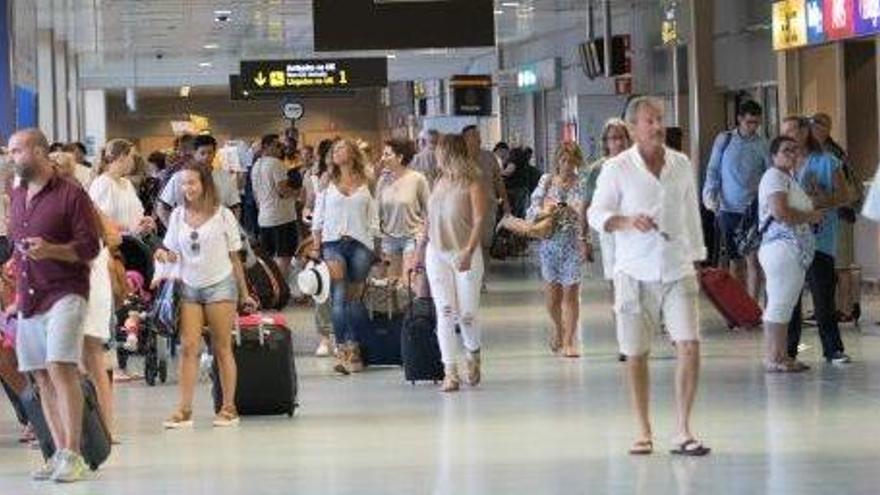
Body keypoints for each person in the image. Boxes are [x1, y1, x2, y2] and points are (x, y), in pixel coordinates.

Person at [588, 97, 710, 456]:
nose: (657, 126)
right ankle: (643, 430)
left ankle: (683, 429)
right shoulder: (617, 168)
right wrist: (626, 221)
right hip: (633, 271)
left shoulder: (681, 164)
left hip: (677, 267)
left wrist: (697, 259)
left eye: (660, 119)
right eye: (649, 120)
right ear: (632, 128)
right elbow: (597, 213)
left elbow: (691, 214)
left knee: (689, 344)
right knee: (636, 352)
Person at [8, 128, 101, 482]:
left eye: (17, 151)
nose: (11, 157)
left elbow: (90, 248)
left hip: (66, 291)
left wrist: (52, 250)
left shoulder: (71, 195)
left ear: (38, 151)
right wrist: (16, 294)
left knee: (59, 366)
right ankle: (59, 450)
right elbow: (19, 251)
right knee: (41, 377)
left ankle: (74, 453)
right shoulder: (16, 194)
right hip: (30, 295)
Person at [155, 162, 257, 429]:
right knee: (189, 347)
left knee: (222, 347)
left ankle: (228, 407)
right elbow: (172, 250)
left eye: (192, 182)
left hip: (221, 286)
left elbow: (235, 258)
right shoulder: (177, 215)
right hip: (188, 286)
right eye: (183, 183)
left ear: (205, 184)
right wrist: (164, 254)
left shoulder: (223, 215)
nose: (187, 188)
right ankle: (184, 409)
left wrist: (244, 294)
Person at [51, 152, 118, 431]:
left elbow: (110, 236)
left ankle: (90, 428)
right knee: (90, 358)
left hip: (82, 281)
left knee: (77, 359)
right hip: (86, 279)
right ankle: (101, 427)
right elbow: (114, 236)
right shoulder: (80, 198)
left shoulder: (70, 200)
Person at [418, 134, 488, 392]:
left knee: (467, 314)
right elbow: (428, 219)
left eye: (438, 150)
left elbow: (480, 219)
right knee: (445, 311)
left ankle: (473, 353)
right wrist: (419, 251)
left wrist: (469, 251)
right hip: (437, 252)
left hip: (464, 252)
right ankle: (450, 370)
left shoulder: (472, 182)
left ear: (448, 152)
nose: (434, 154)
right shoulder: (439, 181)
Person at [782, 116, 853, 365]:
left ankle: (833, 349)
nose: (788, 137)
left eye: (792, 131)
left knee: (823, 296)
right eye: (784, 133)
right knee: (790, 297)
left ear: (805, 132)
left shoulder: (827, 161)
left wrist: (819, 200)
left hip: (820, 240)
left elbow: (845, 195)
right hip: (788, 241)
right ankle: (788, 350)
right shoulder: (782, 165)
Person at [310, 139, 380, 375]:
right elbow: (318, 214)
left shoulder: (367, 179)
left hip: (361, 244)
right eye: (335, 149)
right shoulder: (326, 180)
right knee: (338, 297)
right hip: (332, 245)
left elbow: (374, 214)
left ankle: (356, 348)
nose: (337, 152)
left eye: (342, 148)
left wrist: (375, 246)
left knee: (354, 300)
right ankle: (343, 348)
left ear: (352, 153)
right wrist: (316, 245)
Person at [757, 136, 823, 372]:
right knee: (780, 303)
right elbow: (780, 212)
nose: (792, 154)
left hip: (792, 251)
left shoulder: (789, 178)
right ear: (774, 155)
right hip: (782, 249)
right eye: (786, 151)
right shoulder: (774, 176)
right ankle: (774, 357)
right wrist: (811, 217)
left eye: (795, 150)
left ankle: (781, 355)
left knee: (785, 304)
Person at [527, 142, 591, 358]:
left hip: (572, 243)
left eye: (571, 161)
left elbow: (586, 212)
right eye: (563, 160)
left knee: (571, 295)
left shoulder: (581, 183)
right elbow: (532, 210)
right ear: (557, 161)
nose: (567, 165)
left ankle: (569, 340)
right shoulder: (546, 182)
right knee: (552, 299)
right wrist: (546, 210)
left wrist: (574, 211)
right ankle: (558, 327)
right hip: (549, 244)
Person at [702, 100, 769, 302]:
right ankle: (738, 306)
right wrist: (710, 195)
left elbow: (769, 174)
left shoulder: (762, 145)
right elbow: (713, 170)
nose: (753, 127)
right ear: (740, 119)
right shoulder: (724, 140)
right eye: (749, 122)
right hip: (727, 208)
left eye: (756, 123)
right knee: (734, 261)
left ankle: (753, 307)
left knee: (753, 261)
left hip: (751, 211)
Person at [811, 112, 862, 321]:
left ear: (826, 128)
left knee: (841, 266)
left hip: (841, 214)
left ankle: (846, 309)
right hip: (831, 216)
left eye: (817, 126)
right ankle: (830, 308)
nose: (812, 131)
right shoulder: (819, 152)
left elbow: (843, 190)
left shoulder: (832, 154)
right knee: (831, 265)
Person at [582, 118, 633, 284]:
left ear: (628, 140)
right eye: (613, 138)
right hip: (610, 234)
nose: (618, 142)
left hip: (636, 232)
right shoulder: (598, 169)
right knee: (616, 281)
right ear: (606, 142)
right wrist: (584, 240)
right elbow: (585, 205)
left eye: (622, 138)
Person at [156, 135, 241, 226]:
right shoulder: (179, 178)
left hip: (218, 231)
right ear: (194, 153)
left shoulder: (225, 177)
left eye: (210, 153)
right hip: (188, 232)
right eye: (202, 153)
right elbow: (162, 208)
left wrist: (231, 228)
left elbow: (235, 207)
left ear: (214, 154)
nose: (206, 157)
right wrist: (173, 231)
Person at [376, 139, 429, 282]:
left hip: (411, 236)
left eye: (387, 155)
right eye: (383, 154)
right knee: (391, 283)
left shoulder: (418, 179)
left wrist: (424, 233)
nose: (383, 158)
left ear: (400, 157)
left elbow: (428, 209)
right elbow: (377, 210)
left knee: (408, 283)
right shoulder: (383, 180)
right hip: (388, 237)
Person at [303, 139, 337, 357]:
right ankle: (325, 336)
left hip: (348, 240)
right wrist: (307, 213)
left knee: (344, 291)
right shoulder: (313, 178)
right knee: (322, 288)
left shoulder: (359, 180)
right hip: (322, 238)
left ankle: (343, 336)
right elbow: (309, 203)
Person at [251, 134, 300, 279]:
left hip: (264, 218)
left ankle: (272, 287)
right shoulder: (276, 164)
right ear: (266, 147)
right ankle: (280, 288)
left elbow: (255, 195)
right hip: (282, 217)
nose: (281, 148)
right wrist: (298, 192)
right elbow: (282, 191)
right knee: (284, 256)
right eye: (277, 145)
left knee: (270, 257)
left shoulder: (256, 166)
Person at [462, 125, 510, 272]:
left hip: (488, 206)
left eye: (479, 136)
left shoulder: (489, 157)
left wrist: (506, 203)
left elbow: (499, 181)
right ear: (465, 139)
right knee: (467, 241)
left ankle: (481, 276)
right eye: (474, 136)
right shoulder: (458, 158)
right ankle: (467, 272)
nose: (478, 139)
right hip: (464, 207)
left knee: (485, 242)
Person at [88, 139, 155, 235]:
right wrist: (131, 228)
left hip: (133, 240)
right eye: (132, 157)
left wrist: (144, 221)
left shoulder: (127, 183)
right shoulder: (102, 184)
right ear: (121, 157)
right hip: (115, 243)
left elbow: (132, 212)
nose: (133, 162)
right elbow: (99, 220)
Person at [501, 147, 532, 218]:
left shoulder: (514, 159)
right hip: (521, 189)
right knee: (520, 213)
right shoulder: (523, 161)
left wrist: (496, 173)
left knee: (513, 212)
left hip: (513, 190)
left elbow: (509, 172)